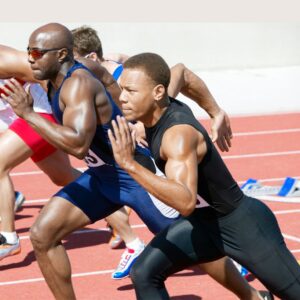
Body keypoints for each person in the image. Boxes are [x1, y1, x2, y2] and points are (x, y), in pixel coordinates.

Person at [2, 23, 269, 300]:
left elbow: (78, 145)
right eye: (28, 52)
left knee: (197, 244)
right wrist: (124, 117)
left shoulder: (77, 84)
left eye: (36, 52)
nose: (30, 58)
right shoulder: (49, 71)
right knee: (43, 234)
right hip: (102, 177)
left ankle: (251, 295)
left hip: (135, 175)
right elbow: (105, 77)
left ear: (60, 55)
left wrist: (28, 114)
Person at [108, 52, 300, 300]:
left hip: (242, 225)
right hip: (203, 225)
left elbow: (185, 202)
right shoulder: (162, 100)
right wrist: (215, 112)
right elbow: (181, 71)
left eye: (131, 91)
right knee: (144, 272)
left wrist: (129, 165)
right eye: (121, 89)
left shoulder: (177, 136)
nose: (122, 98)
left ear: (157, 92)